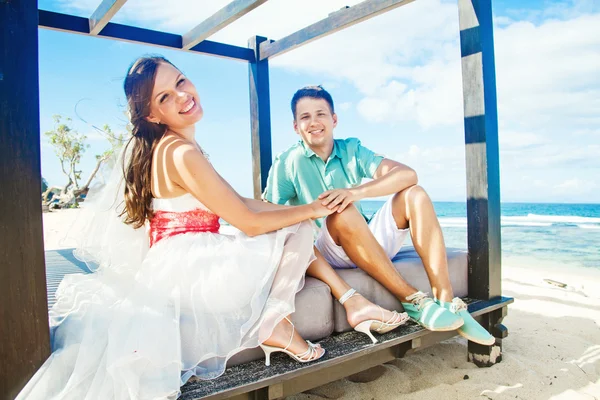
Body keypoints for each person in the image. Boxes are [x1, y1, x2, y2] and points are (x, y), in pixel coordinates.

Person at [16, 57, 409, 400]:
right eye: (165, 97)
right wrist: (308, 210)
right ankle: (274, 323)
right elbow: (248, 220)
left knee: (290, 222)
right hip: (196, 271)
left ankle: (342, 303)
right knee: (299, 230)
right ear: (152, 114)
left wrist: (297, 208)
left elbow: (239, 202)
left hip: (178, 262)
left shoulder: (172, 146)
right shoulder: (182, 152)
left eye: (181, 82)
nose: (183, 96)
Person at [263, 85, 495, 346]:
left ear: (334, 119)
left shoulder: (351, 149)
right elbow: (269, 212)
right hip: (328, 250)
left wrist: (356, 192)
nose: (314, 122)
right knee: (342, 212)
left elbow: (407, 174)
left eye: (321, 114)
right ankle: (414, 301)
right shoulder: (287, 162)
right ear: (296, 126)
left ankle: (447, 302)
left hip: (365, 239)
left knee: (414, 193)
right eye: (305, 117)